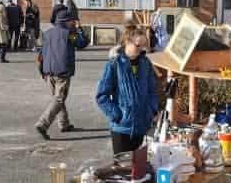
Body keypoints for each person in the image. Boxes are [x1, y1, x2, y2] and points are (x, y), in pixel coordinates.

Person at [96, 25, 159, 155]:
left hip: (142, 127)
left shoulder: (145, 63)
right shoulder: (115, 64)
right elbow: (102, 96)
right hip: (122, 129)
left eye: (143, 46)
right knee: (122, 169)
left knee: (139, 170)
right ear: (127, 42)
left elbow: (152, 90)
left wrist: (151, 110)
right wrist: (117, 115)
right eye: (138, 45)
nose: (141, 49)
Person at [35, 10, 89, 139]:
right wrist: (79, 28)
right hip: (62, 71)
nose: (73, 23)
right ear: (66, 22)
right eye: (72, 21)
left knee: (58, 98)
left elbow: (41, 54)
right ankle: (42, 124)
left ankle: (64, 123)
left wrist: (42, 70)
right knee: (59, 99)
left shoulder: (47, 33)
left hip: (48, 71)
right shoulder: (69, 34)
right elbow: (82, 43)